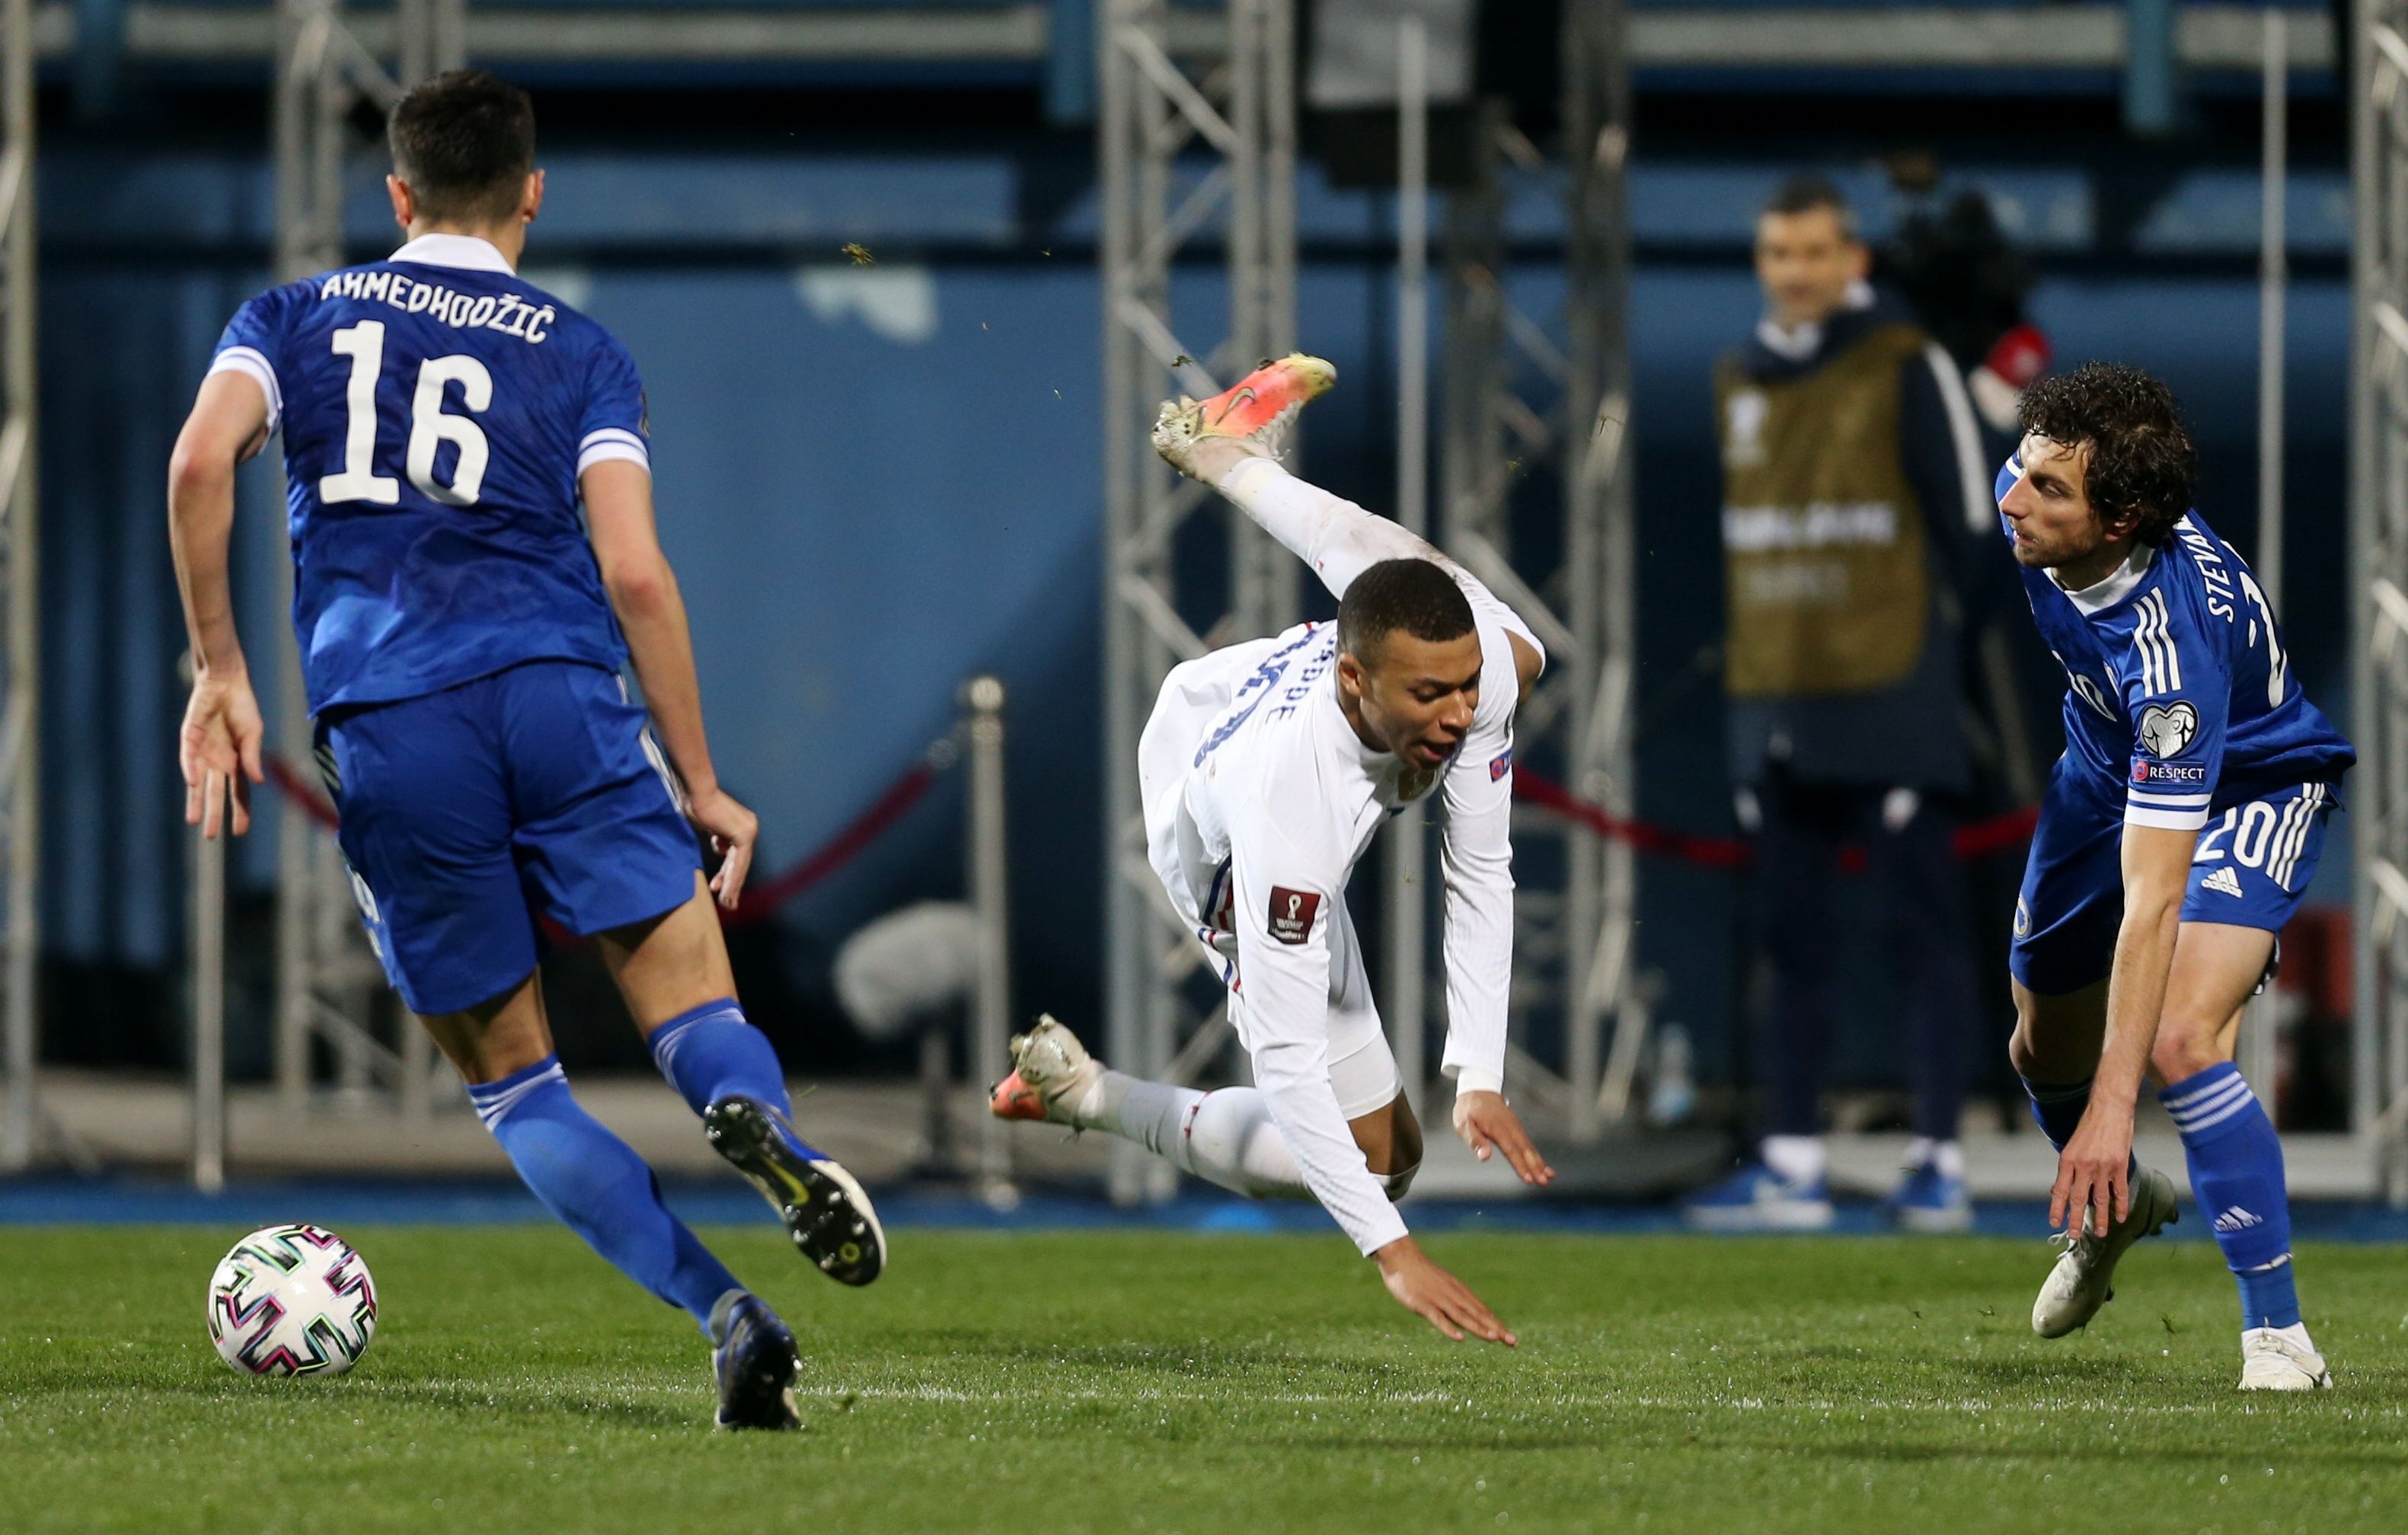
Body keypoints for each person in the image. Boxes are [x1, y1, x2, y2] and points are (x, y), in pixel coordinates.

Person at [164, 69, 883, 1430]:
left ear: (395, 195)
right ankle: (763, 1128)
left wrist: (222, 672)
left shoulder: (292, 317)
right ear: (531, 193)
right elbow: (639, 576)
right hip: (558, 691)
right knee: (697, 1011)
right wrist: (704, 778)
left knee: (518, 1085)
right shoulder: (580, 352)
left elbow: (201, 468)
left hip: (392, 720)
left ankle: (724, 1310)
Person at [990, 356, 1554, 1344]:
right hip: (1207, 812)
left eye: (1464, 692)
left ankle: (1232, 460)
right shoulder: (1289, 824)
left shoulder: (1475, 686)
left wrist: (1476, 1071)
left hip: (1266, 689)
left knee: (1509, 643)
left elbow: (1478, 866)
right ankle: (1084, 1091)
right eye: (1431, 697)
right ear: (1355, 686)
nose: (1461, 717)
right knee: (1375, 1168)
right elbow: (1287, 1063)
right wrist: (1393, 1252)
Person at [1999, 362, 2352, 1390]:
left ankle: (2277, 1340)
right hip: (2098, 775)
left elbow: (2152, 901)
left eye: (2047, 490)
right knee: (2035, 1046)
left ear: (2123, 522)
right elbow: (2021, 479)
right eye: (2021, 471)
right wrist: (2095, 1113)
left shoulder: (2171, 666)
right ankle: (2119, 1211)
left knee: (2177, 1037)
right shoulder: (2035, 492)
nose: (2012, 501)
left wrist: (2120, 1108)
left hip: (2250, 787)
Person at [1687, 174, 1993, 1233]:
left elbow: (1970, 523)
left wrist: (1943, 674)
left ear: (1852, 260)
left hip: (1891, 690)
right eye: (1778, 253)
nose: (1796, 272)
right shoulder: (1736, 375)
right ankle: (1790, 1164)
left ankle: (1938, 1163)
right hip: (1773, 696)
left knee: (1922, 934)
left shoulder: (1907, 363)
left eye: (1814, 252)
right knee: (1791, 940)